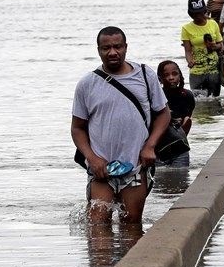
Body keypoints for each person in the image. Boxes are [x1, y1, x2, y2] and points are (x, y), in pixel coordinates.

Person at [71, 26, 171, 225]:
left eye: (117, 47)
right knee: (97, 228)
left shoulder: (145, 75)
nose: (112, 52)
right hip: (101, 170)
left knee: (132, 226)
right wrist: (92, 158)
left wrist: (150, 146)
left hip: (135, 167)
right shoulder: (87, 84)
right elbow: (77, 128)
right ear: (98, 50)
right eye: (106, 48)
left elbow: (163, 113)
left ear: (126, 47)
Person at [180, 0, 224, 97]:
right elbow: (187, 50)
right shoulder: (186, 28)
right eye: (194, 13)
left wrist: (215, 46)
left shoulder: (213, 24)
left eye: (200, 12)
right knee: (198, 102)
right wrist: (190, 61)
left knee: (214, 99)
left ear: (204, 11)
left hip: (214, 70)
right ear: (190, 14)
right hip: (196, 71)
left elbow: (221, 45)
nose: (197, 16)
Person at [156, 60, 196, 168]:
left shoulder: (187, 96)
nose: (171, 78)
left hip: (180, 147)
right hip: (159, 149)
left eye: (174, 74)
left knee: (181, 177)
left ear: (180, 75)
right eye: (166, 75)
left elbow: (187, 123)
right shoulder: (156, 98)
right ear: (160, 78)